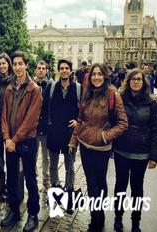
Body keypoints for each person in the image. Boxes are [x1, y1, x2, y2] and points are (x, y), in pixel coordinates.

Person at [69, 63, 128, 232]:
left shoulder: (113, 95)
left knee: (100, 183)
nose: (96, 77)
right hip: (85, 146)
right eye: (93, 74)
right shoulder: (86, 95)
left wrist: (105, 136)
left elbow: (123, 123)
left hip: (102, 148)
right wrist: (74, 140)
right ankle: (95, 216)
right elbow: (80, 120)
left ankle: (98, 217)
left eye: (99, 74)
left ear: (105, 76)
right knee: (90, 182)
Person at [113, 68, 157, 232]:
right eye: (133, 79)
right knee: (120, 186)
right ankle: (118, 217)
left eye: (139, 79)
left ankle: (135, 221)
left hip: (141, 152)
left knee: (137, 188)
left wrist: (154, 155)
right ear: (128, 81)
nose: (136, 81)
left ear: (143, 82)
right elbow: (113, 121)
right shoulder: (120, 100)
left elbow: (155, 129)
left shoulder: (151, 103)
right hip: (122, 150)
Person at [0, 51, 42, 232]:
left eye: (20, 64)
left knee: (30, 179)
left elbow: (30, 120)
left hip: (27, 141)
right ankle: (14, 210)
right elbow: (4, 115)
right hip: (10, 142)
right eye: (14, 64)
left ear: (26, 65)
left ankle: (33, 215)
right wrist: (7, 137)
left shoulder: (35, 90)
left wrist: (14, 139)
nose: (17, 67)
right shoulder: (10, 88)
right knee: (11, 178)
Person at [45, 59, 79, 193]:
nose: (64, 70)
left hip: (70, 134)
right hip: (54, 132)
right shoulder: (52, 87)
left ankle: (69, 190)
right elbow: (46, 107)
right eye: (62, 68)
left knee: (69, 166)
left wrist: (78, 121)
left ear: (70, 71)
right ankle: (55, 188)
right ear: (58, 70)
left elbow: (83, 109)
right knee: (53, 165)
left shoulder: (77, 88)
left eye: (66, 68)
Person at [0, 53, 15, 201]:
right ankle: (1, 184)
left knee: (11, 158)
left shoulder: (14, 81)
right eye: (0, 64)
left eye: (4, 63)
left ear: (9, 64)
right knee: (0, 157)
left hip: (11, 126)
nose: (2, 66)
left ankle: (11, 186)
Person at [34, 60, 51, 192]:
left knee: (46, 156)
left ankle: (46, 181)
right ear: (35, 70)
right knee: (32, 155)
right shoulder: (30, 84)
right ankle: (33, 178)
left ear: (46, 70)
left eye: (43, 68)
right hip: (33, 127)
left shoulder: (50, 85)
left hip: (45, 126)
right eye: (39, 68)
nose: (41, 70)